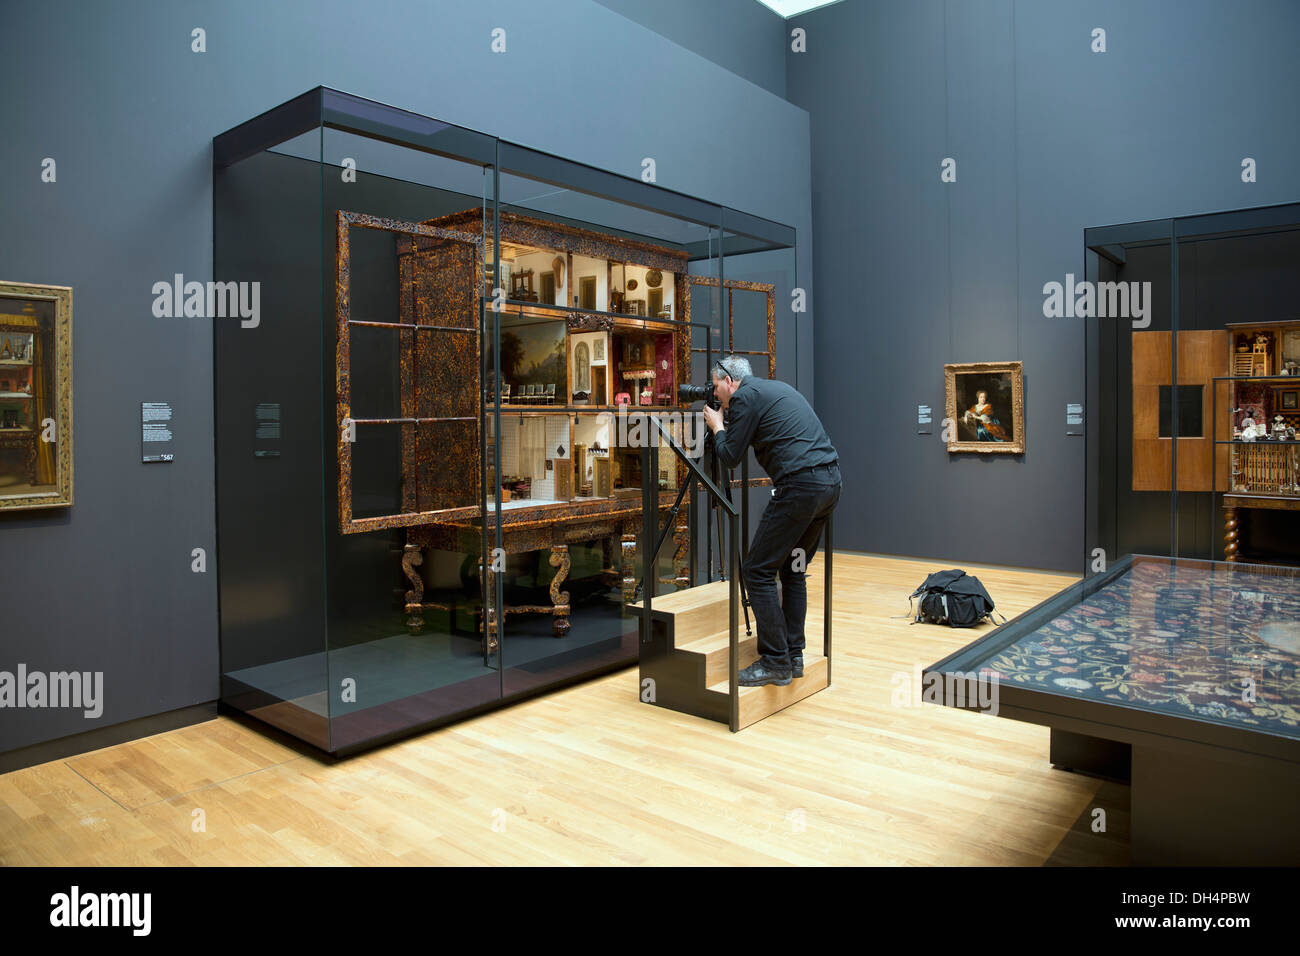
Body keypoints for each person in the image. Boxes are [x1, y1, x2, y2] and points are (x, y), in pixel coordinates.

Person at [700, 356, 841, 687]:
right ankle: (793, 655)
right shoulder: (774, 388)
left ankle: (776, 661)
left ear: (729, 380)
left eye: (716, 385)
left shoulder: (745, 396)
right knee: (793, 568)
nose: (716, 394)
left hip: (801, 487)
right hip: (829, 483)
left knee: (756, 570)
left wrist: (718, 427)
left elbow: (731, 456)